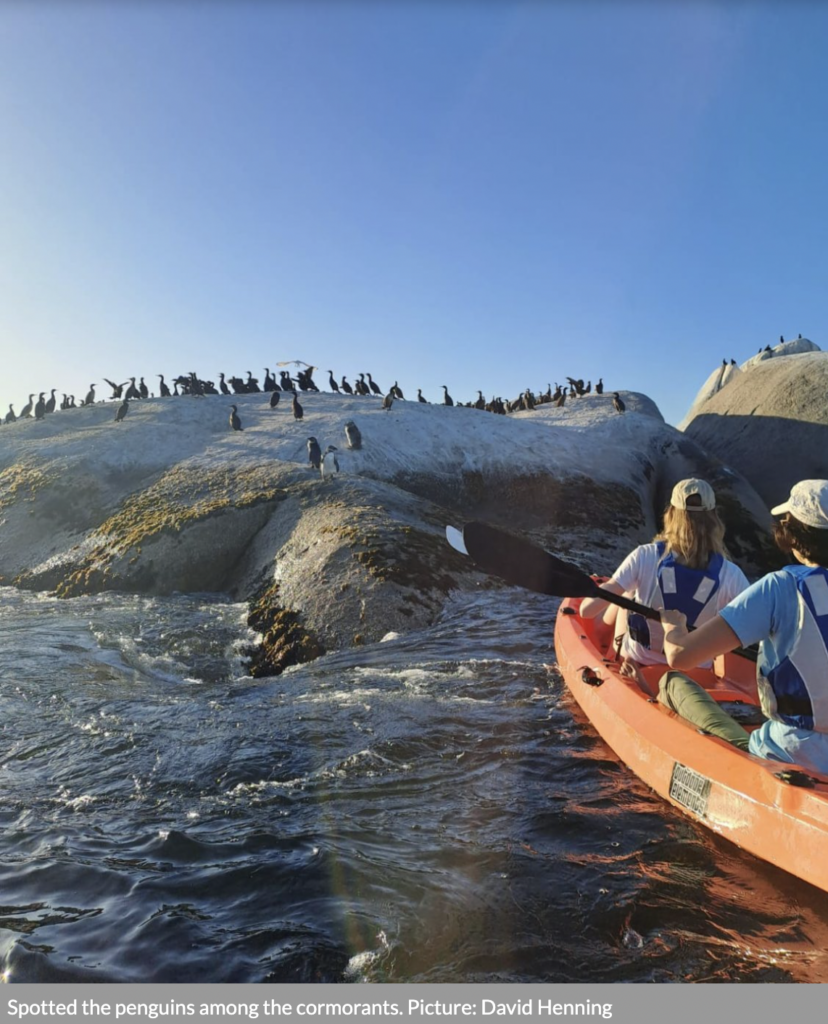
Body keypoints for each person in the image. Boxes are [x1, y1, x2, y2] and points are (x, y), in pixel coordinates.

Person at [659, 480, 828, 775]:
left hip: (790, 757)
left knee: (673, 682)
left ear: (795, 537)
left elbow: (681, 657)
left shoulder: (779, 587)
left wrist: (674, 628)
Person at [579, 478, 749, 692]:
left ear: (670, 514)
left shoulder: (645, 556)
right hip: (696, 679)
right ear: (714, 518)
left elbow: (586, 611)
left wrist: (600, 590)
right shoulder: (731, 574)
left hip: (637, 668)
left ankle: (604, 643)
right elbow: (751, 630)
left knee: (627, 595)